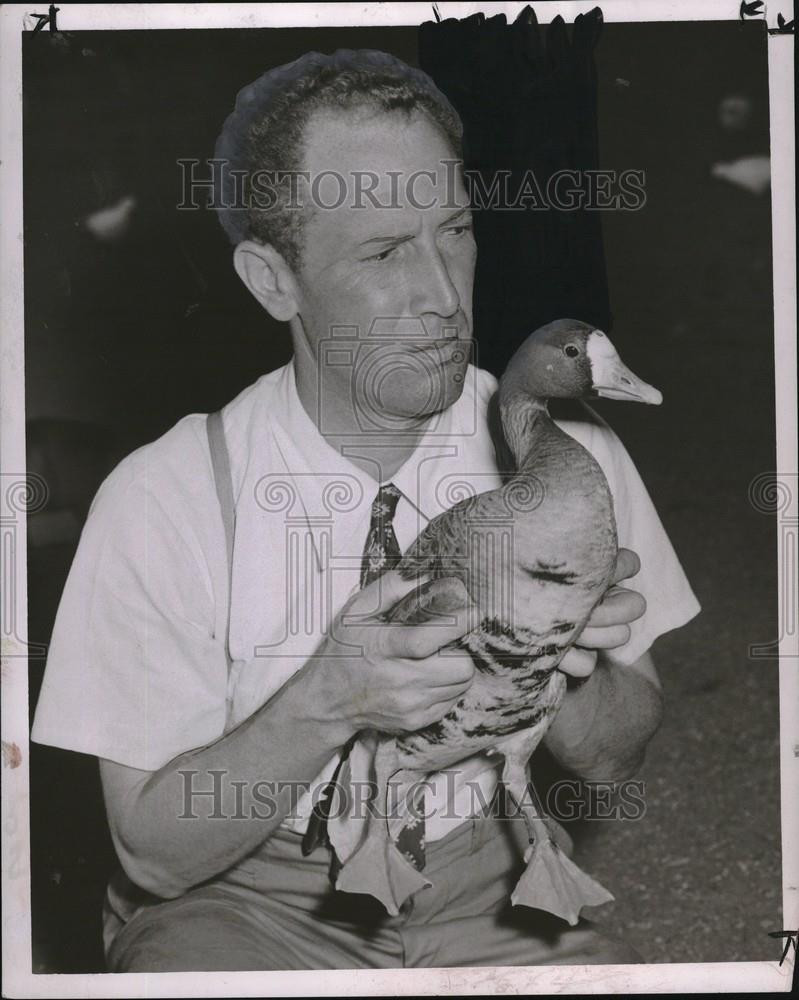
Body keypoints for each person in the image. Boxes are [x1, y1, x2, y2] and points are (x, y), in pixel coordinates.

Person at [31, 49, 700, 972]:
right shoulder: (165, 497)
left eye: (454, 230)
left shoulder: (566, 457)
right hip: (246, 900)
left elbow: (617, 758)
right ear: (273, 280)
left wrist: (562, 669)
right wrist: (326, 700)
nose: (443, 296)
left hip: (488, 876)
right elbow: (153, 853)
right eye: (384, 252)